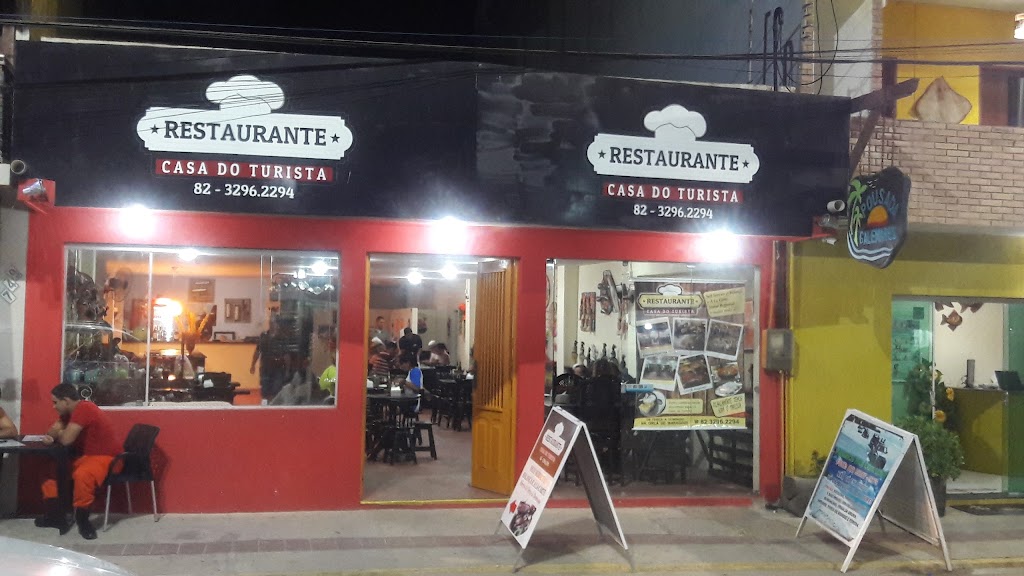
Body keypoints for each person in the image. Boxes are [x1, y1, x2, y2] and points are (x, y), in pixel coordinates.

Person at [37, 382, 120, 540]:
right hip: (86, 456)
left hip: (106, 456)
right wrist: (56, 433)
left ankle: (83, 522)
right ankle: (54, 514)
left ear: (66, 401)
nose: (53, 407)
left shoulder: (84, 409)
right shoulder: (69, 413)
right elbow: (51, 431)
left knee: (82, 475)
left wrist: (58, 434)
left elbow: (66, 439)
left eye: (55, 402)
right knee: (50, 470)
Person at [251, 319, 288, 403]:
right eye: (272, 323)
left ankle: (273, 405)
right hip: (266, 367)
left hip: (278, 368)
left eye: (276, 324)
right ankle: (266, 406)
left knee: (276, 390)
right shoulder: (264, 337)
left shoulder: (282, 338)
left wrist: (287, 369)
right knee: (265, 390)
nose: (275, 326)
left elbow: (286, 355)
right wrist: (253, 365)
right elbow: (257, 351)